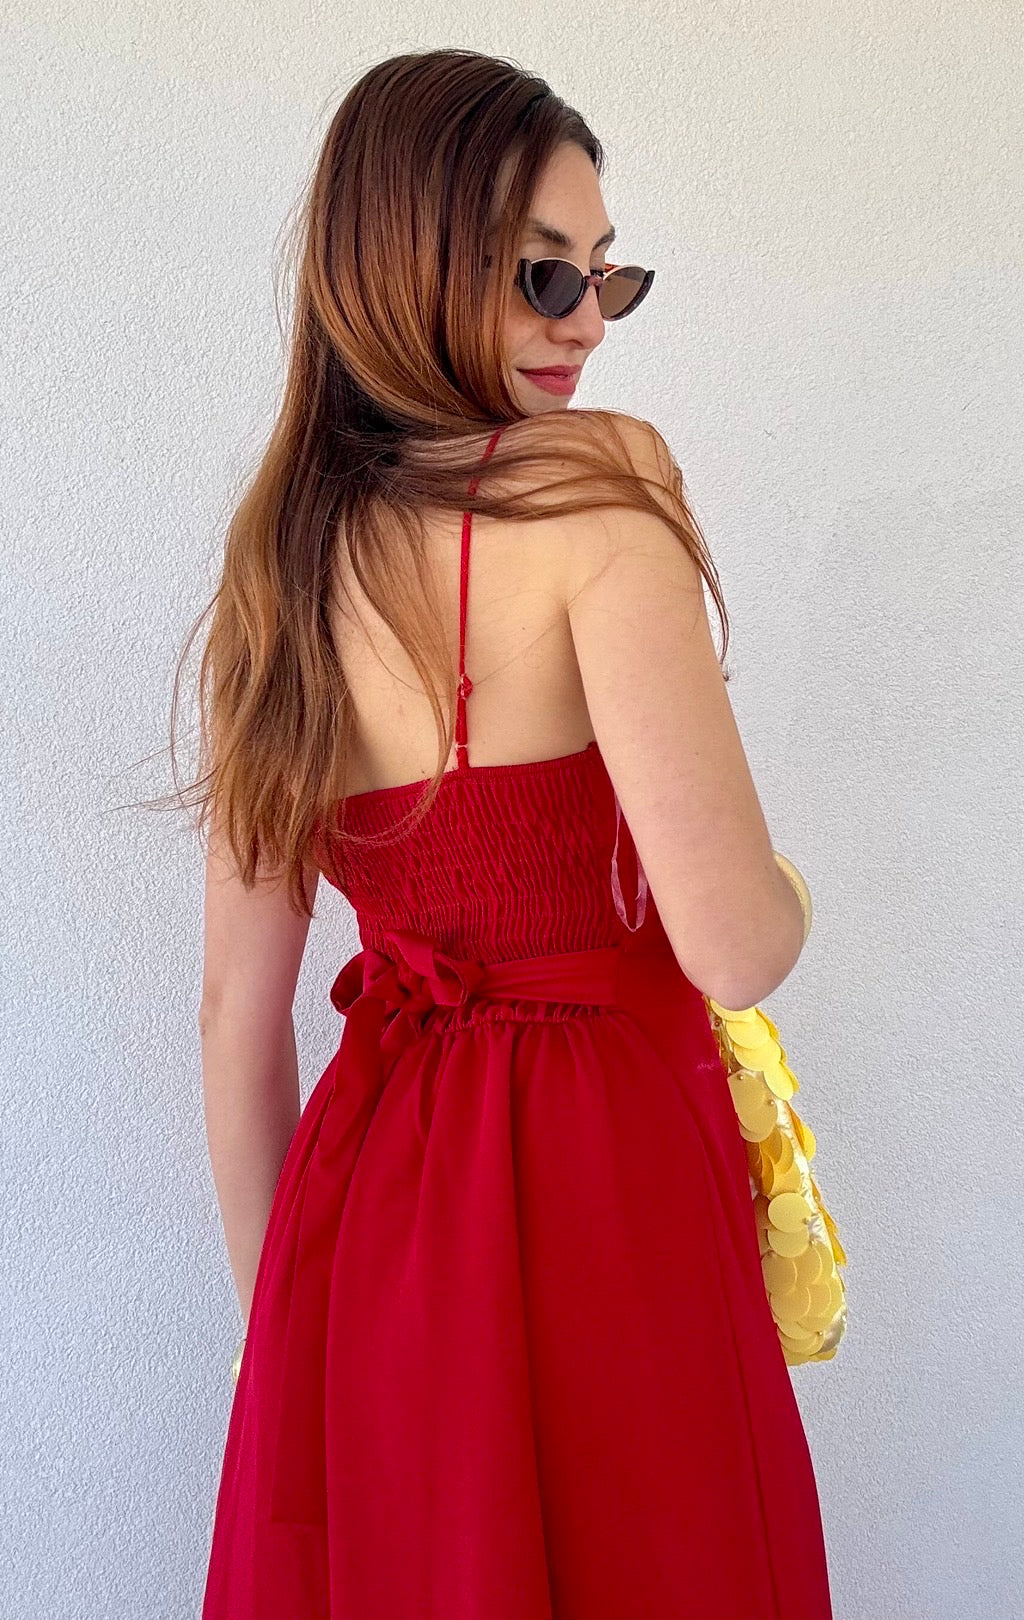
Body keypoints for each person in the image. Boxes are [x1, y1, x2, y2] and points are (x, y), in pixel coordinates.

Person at [190, 46, 833, 1620]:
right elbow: (736, 944)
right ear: (406, 262)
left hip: (375, 1219)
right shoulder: (602, 489)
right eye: (546, 273)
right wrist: (788, 892)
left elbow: (233, 1019)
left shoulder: (278, 571)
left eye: (609, 276)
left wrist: (292, 1342)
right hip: (607, 1183)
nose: (586, 322)